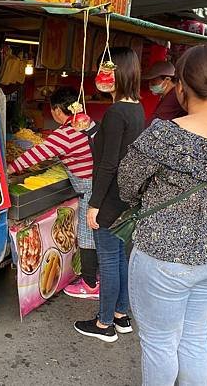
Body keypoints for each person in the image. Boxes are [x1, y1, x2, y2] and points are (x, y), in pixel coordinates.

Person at [118, 44, 207, 386]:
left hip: (164, 258)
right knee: (194, 338)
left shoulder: (164, 136)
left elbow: (127, 185)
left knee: (160, 343)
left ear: (181, 86)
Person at [73, 47, 145, 342]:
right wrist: (90, 130)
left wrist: (94, 204)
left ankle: (104, 324)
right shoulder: (136, 108)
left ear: (120, 73)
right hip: (126, 197)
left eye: (108, 71)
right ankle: (121, 315)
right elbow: (113, 150)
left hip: (111, 198)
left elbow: (107, 164)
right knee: (119, 258)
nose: (102, 77)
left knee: (109, 260)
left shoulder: (116, 112)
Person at [7, 88, 99, 299]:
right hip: (98, 183)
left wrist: (10, 169)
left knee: (87, 237)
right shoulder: (87, 123)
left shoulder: (65, 134)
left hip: (88, 189)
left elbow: (36, 154)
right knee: (94, 234)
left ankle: (90, 283)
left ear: (58, 110)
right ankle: (93, 277)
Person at [141, 61, 186, 126]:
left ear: (167, 80)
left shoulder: (173, 97)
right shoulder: (168, 95)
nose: (150, 84)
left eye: (153, 81)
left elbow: (154, 123)